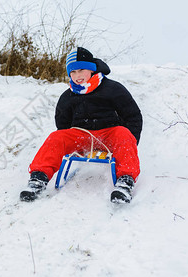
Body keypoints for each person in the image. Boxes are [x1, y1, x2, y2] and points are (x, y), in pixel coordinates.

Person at [20, 47, 143, 203]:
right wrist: (68, 140)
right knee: (56, 137)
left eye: (81, 70)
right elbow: (62, 123)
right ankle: (38, 180)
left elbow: (133, 116)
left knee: (124, 133)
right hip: (82, 135)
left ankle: (125, 182)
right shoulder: (68, 96)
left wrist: (130, 142)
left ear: (91, 69)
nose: (77, 76)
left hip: (109, 134)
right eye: (73, 72)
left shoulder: (113, 89)